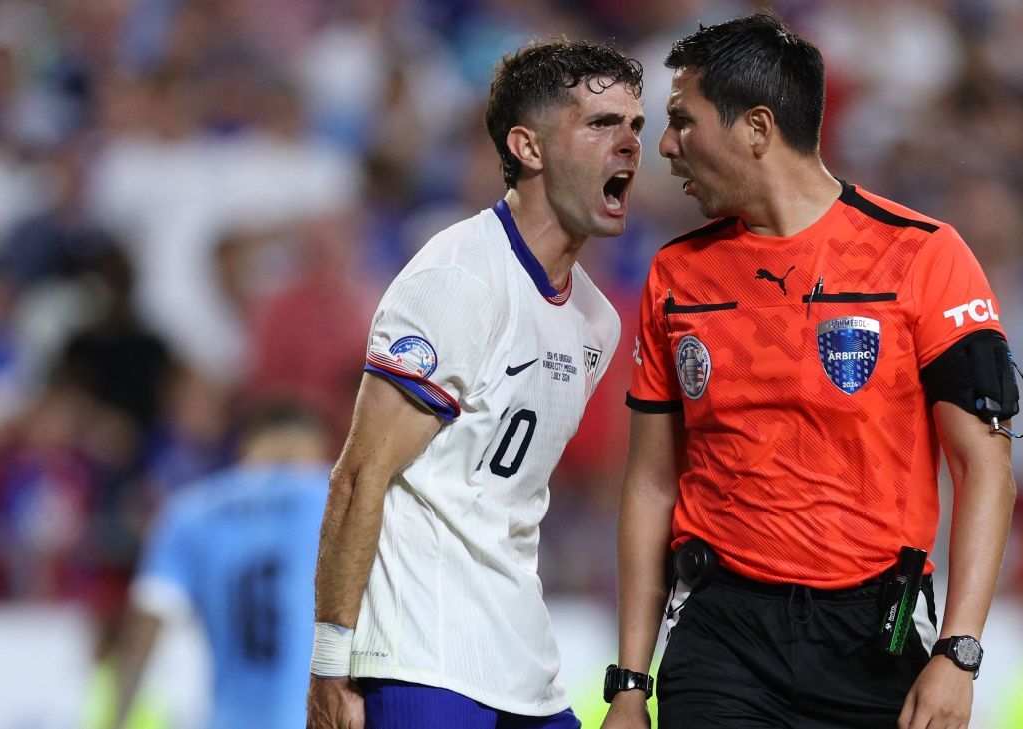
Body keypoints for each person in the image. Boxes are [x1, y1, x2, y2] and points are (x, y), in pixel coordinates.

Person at [603, 14, 1018, 729]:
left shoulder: (923, 256)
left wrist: (958, 650)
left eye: (682, 121)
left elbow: (984, 467)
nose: (664, 146)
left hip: (872, 637)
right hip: (721, 634)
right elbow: (650, 481)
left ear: (757, 128)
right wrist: (631, 682)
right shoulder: (676, 274)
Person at [306, 40, 644, 729]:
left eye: (636, 125)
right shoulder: (457, 277)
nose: (630, 144)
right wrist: (329, 662)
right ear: (529, 147)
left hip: (525, 658)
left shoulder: (597, 321)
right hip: (421, 654)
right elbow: (357, 476)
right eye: (601, 124)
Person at [105, 402, 332, 729]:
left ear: (245, 447)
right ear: (319, 447)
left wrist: (118, 718)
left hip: (227, 719)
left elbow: (147, 619)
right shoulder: (339, 499)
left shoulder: (191, 510)